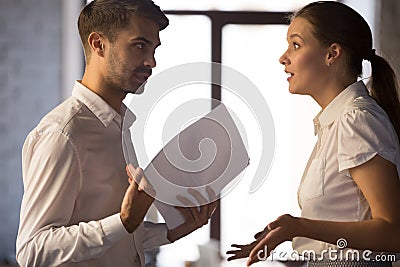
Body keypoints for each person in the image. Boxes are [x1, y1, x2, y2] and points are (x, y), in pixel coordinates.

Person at [16, 0, 217, 266]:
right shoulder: (63, 134)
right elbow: (32, 251)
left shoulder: (118, 127)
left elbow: (115, 236)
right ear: (98, 44)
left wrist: (170, 232)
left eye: (154, 48)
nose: (151, 61)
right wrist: (123, 221)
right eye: (139, 45)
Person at [227, 1, 400, 266]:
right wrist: (289, 231)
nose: (283, 57)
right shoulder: (337, 122)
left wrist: (300, 227)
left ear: (332, 54)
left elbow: (392, 233)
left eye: (296, 45)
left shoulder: (356, 120)